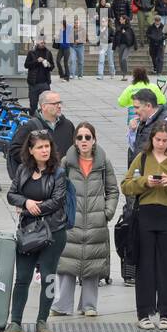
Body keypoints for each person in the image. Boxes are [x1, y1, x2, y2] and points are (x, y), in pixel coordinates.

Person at [122, 121, 167, 330]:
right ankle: (144, 312)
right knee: (145, 265)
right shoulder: (142, 158)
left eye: (165, 140)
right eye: (157, 140)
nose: (161, 144)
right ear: (151, 139)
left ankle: (165, 312)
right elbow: (126, 185)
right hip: (146, 214)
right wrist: (145, 182)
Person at [3, 129, 71, 332]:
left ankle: (42, 319)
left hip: (53, 231)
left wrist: (32, 208)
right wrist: (26, 203)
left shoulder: (58, 173)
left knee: (49, 277)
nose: (45, 150)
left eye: (47, 146)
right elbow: (11, 194)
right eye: (40, 147)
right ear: (30, 150)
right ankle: (15, 322)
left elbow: (57, 200)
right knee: (22, 278)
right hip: (27, 232)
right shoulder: (23, 170)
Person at [54, 122, 118, 317]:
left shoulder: (103, 161)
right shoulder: (66, 162)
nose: (83, 141)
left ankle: (89, 305)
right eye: (80, 137)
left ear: (94, 140)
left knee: (93, 264)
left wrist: (107, 212)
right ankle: (62, 305)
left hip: (95, 221)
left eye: (87, 137)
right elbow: (56, 189)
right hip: (72, 221)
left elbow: (113, 189)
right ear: (75, 141)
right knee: (67, 264)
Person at [8, 90, 75, 179]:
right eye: (55, 103)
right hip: (40, 178)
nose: (59, 106)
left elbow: (74, 149)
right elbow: (15, 149)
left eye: (60, 103)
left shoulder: (68, 125)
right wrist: (35, 163)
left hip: (62, 177)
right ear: (44, 106)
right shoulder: (30, 126)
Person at [127, 90, 167, 168]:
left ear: (148, 106)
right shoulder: (143, 120)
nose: (135, 111)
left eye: (137, 107)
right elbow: (135, 148)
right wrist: (132, 131)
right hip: (141, 170)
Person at [25, 35, 56, 113]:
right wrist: (36, 61)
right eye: (42, 42)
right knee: (33, 105)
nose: (43, 44)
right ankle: (33, 122)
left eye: (44, 42)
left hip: (45, 83)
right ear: (38, 42)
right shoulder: (31, 52)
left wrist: (49, 65)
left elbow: (52, 67)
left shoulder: (48, 53)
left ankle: (45, 122)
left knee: (46, 105)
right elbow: (26, 65)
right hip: (33, 83)